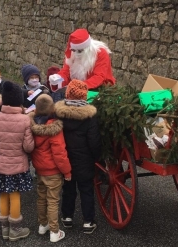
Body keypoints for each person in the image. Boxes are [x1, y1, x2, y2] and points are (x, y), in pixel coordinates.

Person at [0, 81, 34, 241]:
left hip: (0, 164)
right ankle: (15, 230)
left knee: (3, 194)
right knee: (15, 195)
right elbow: (28, 147)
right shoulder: (24, 120)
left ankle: (4, 228)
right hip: (18, 165)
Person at [54, 79, 101, 234]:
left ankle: (67, 217)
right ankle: (88, 221)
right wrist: (96, 157)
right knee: (86, 190)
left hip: (65, 158)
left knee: (68, 189)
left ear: (68, 94)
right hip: (84, 160)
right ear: (84, 96)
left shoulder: (60, 114)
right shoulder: (90, 116)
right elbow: (93, 140)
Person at [29, 94, 71, 243]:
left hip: (39, 169)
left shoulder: (32, 126)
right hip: (53, 171)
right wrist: (67, 171)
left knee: (41, 197)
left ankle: (43, 224)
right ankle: (54, 231)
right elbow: (60, 153)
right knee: (53, 200)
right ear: (53, 108)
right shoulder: (54, 128)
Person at [49, 28, 116, 92]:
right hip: (76, 91)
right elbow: (66, 73)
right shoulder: (71, 55)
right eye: (74, 50)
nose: (76, 53)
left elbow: (99, 77)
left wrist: (78, 86)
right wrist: (58, 78)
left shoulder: (100, 54)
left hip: (98, 90)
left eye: (80, 51)